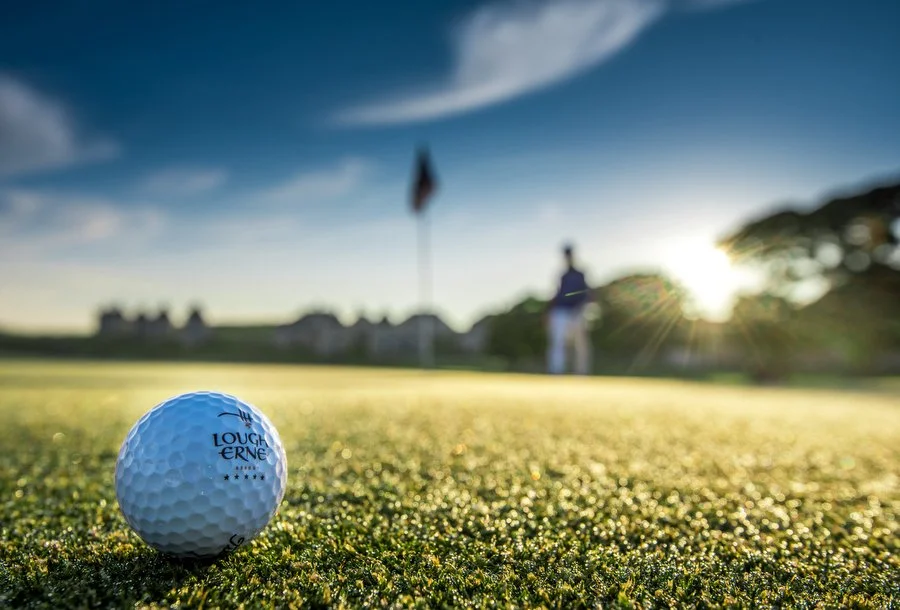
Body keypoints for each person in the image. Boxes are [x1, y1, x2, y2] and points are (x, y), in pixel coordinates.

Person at [544, 243, 593, 375]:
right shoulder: (562, 275)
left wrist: (581, 309)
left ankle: (581, 372)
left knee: (580, 344)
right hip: (560, 311)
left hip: (577, 311)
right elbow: (556, 293)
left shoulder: (580, 274)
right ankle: (556, 371)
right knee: (558, 342)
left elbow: (587, 293)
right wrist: (549, 312)